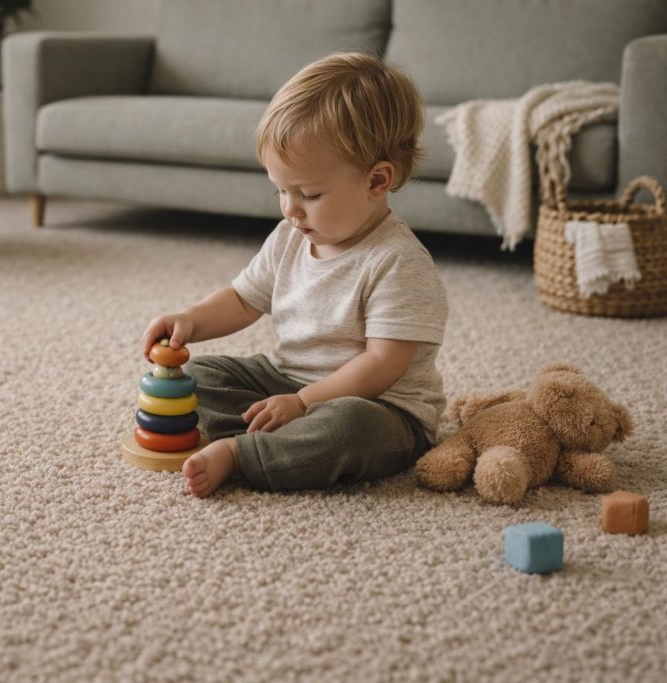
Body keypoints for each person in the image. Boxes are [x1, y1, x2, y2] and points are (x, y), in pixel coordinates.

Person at [141, 52, 448, 498]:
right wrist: (190, 320)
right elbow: (244, 299)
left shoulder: (398, 262)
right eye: (280, 190)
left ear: (377, 181)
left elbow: (383, 365)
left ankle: (243, 455)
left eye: (308, 193)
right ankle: (276, 438)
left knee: (348, 428)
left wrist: (305, 403)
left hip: (378, 406)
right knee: (198, 378)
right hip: (284, 379)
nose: (289, 208)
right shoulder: (290, 236)